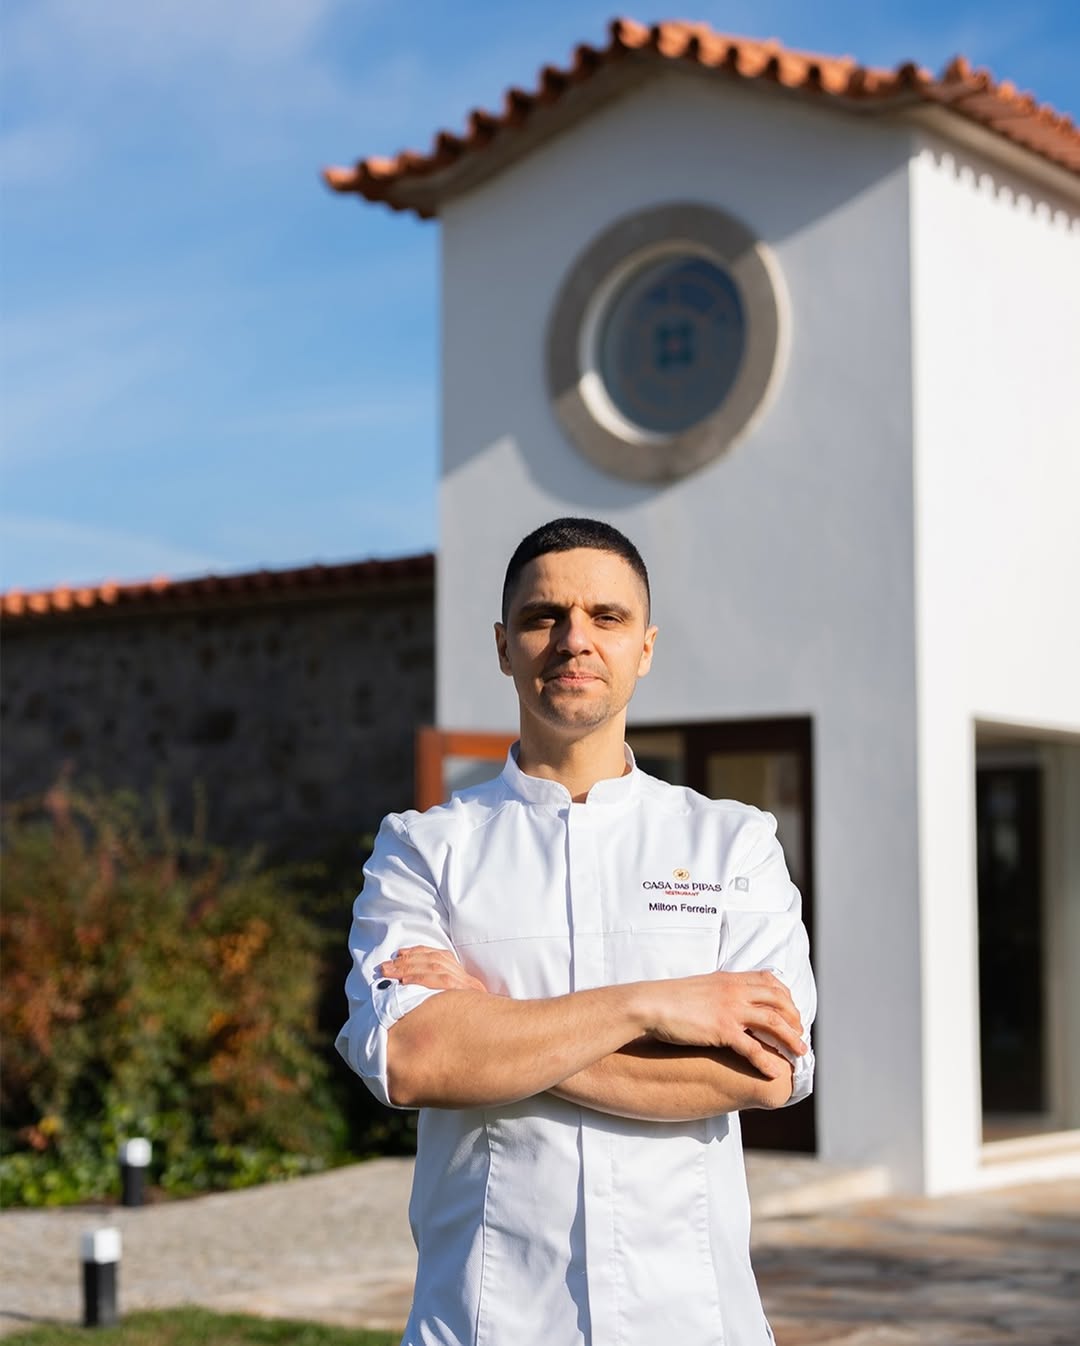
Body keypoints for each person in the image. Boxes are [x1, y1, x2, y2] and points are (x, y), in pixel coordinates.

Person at [336, 517, 816, 1346]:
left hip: (694, 1324)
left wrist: (491, 1036)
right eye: (542, 617)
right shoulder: (423, 848)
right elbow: (414, 1060)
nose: (573, 640)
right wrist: (654, 1007)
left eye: (606, 617)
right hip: (489, 1323)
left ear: (646, 647)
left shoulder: (733, 842)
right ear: (502, 645)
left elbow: (767, 1070)